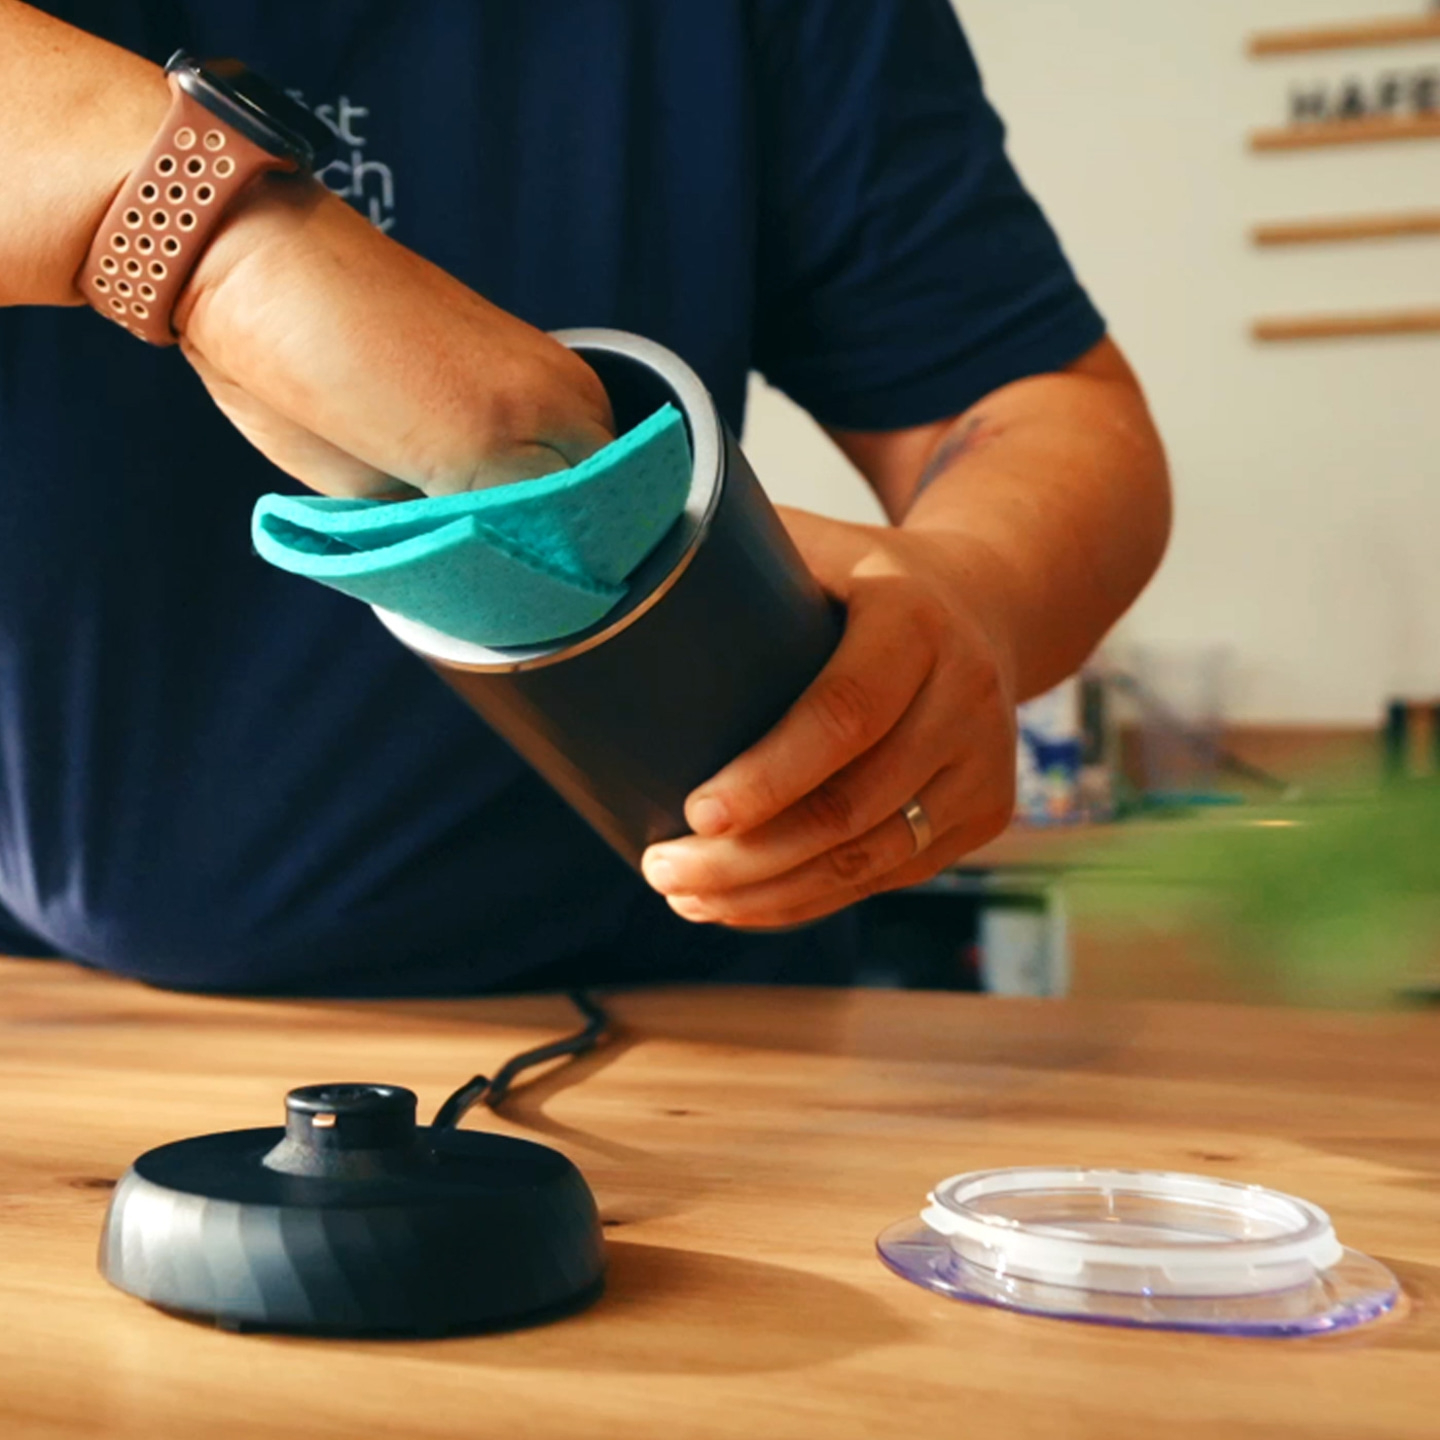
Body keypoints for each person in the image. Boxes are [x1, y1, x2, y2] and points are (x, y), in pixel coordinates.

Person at [0, 1, 1169, 995]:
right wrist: (219, 239)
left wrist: (976, 596)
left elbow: (1037, 405)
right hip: (62, 1022)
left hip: (688, 1017)